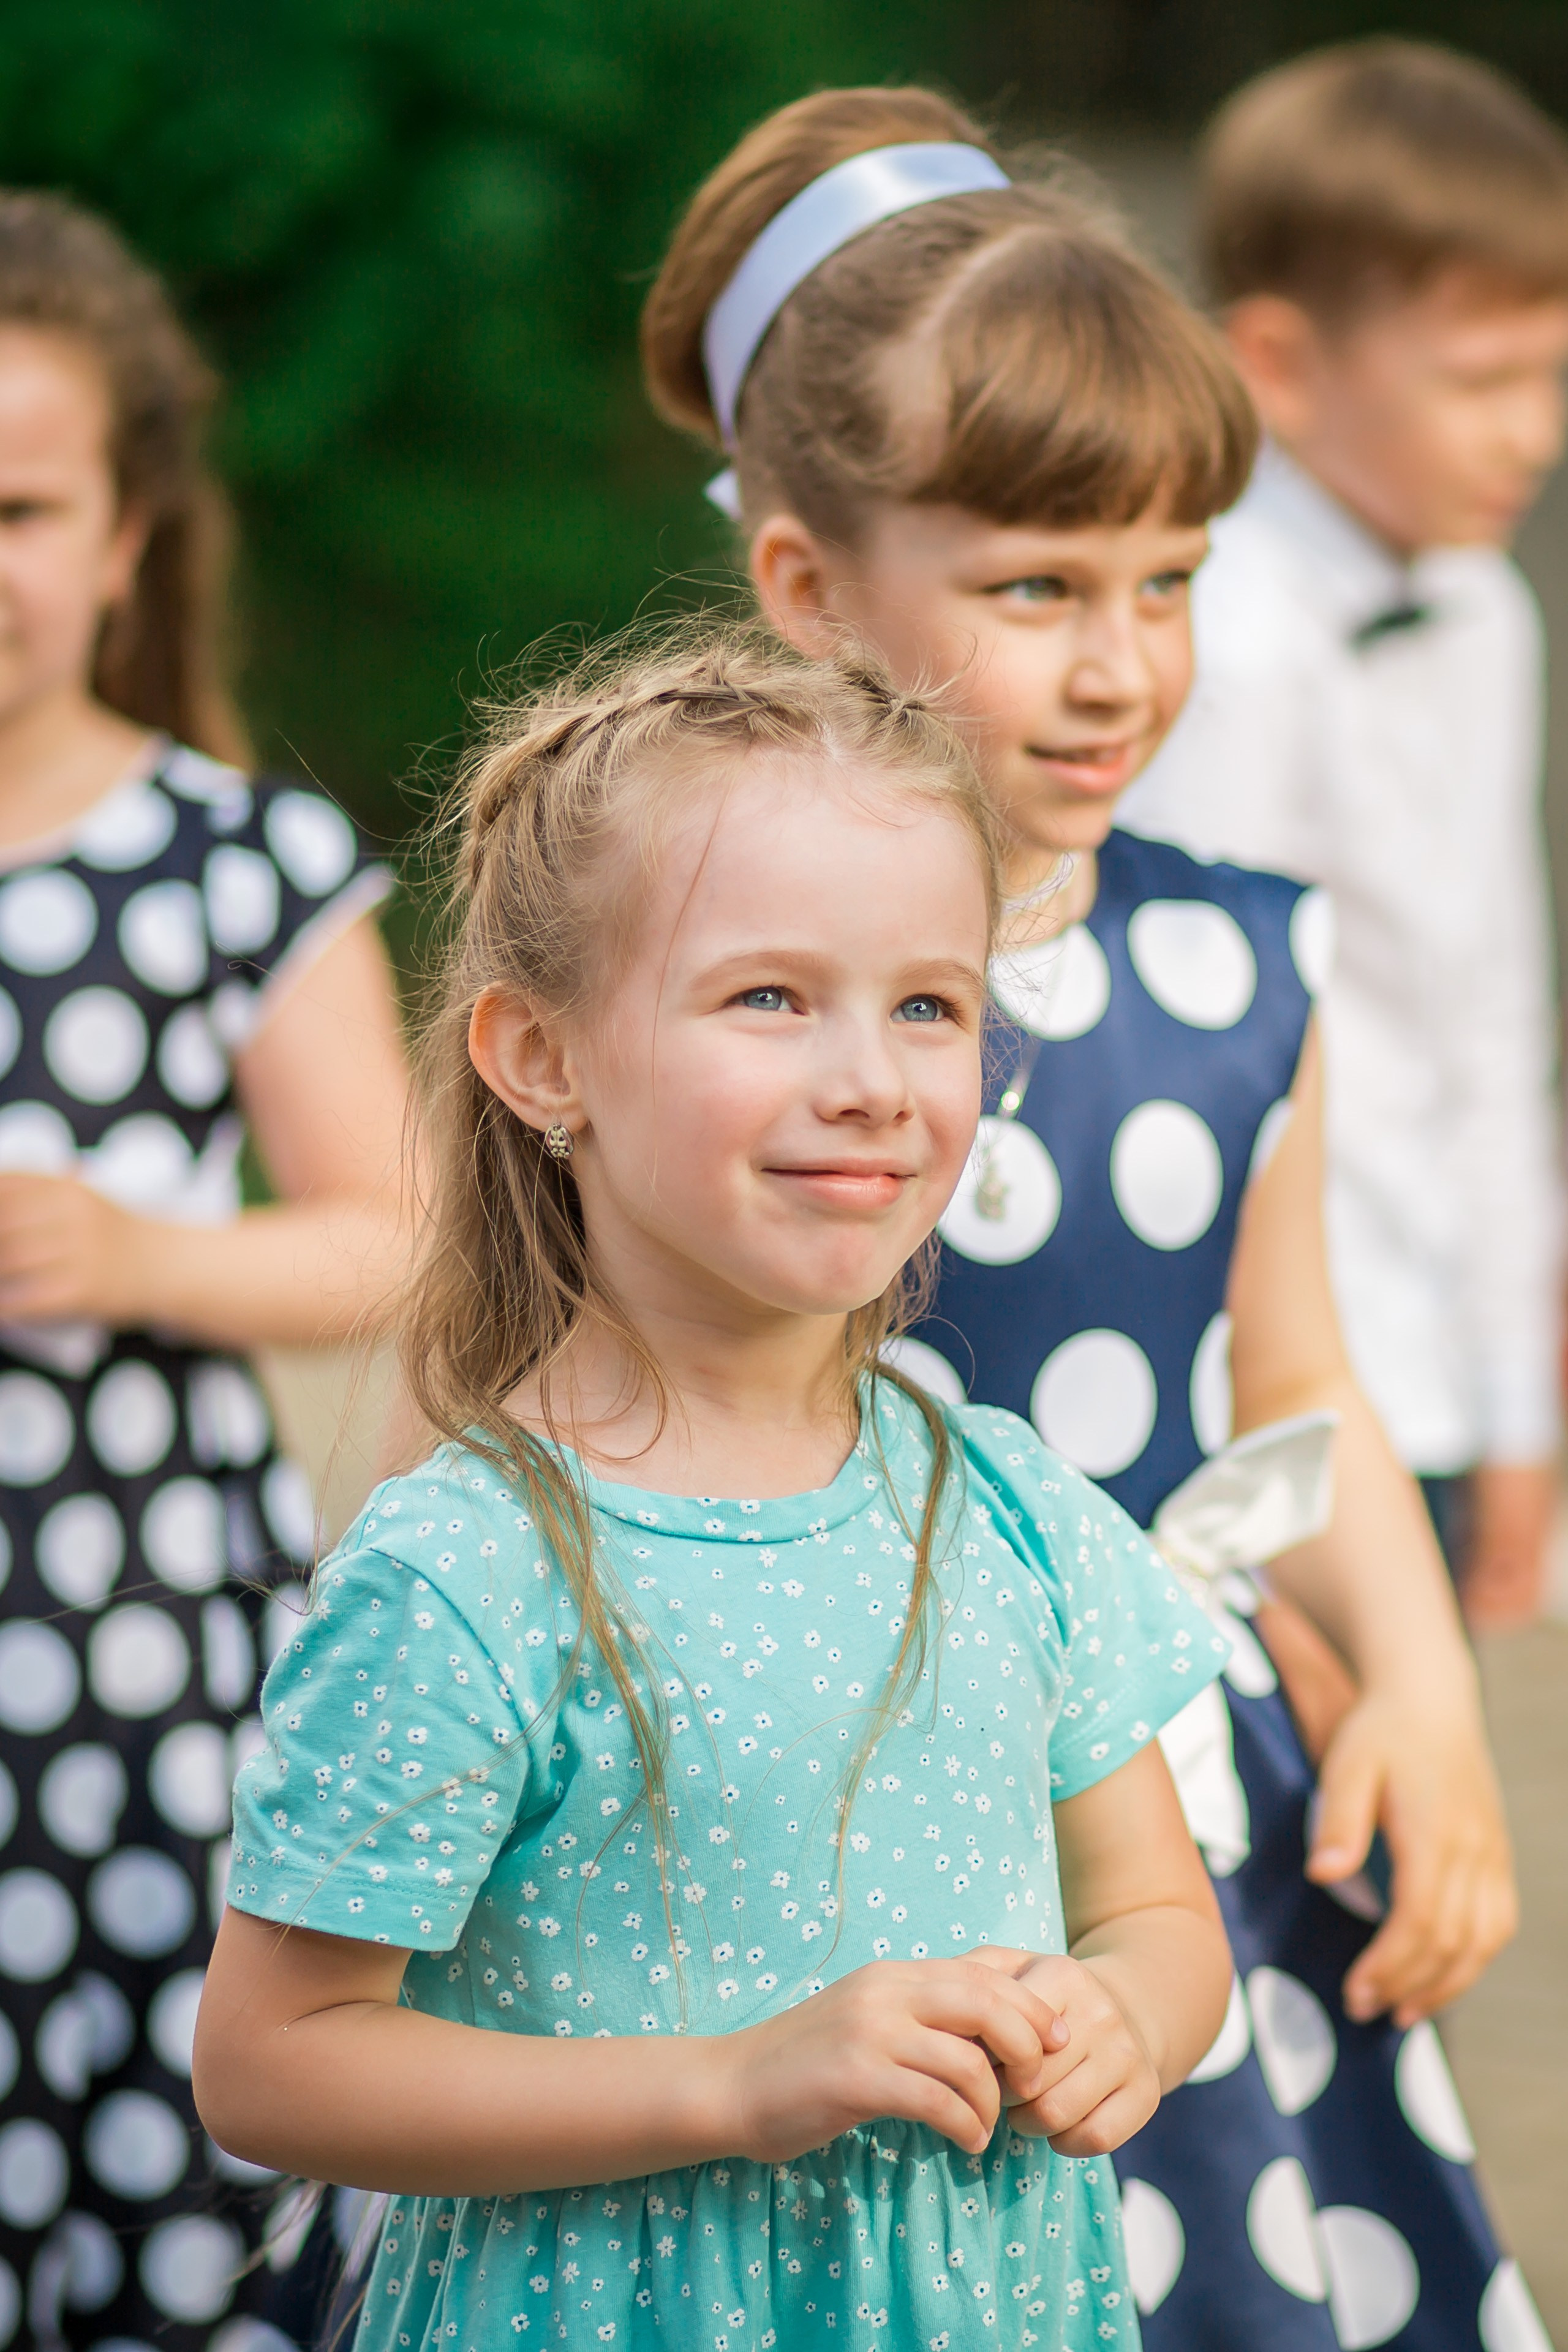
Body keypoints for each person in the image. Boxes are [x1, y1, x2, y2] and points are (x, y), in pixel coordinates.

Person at [640, 88, 1539, 2348]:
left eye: (1171, 583)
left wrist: (1421, 1694)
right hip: (789, 1822)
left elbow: (1297, 1386)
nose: (1122, 664)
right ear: (810, 587)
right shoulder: (691, 972)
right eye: (1036, 588)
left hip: (1167, 1817)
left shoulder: (1242, 960)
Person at [194, 628, 1236, 2352]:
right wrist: (735, 2084)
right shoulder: (475, 1567)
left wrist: (1122, 2016)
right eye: (769, 996)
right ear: (541, 1059)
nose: (872, 1079)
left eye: (929, 1003)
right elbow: (274, 2061)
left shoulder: (1006, 1502)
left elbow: (1152, 1911)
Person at [0, 195, 411, 2351]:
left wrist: (145, 1251)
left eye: (18, 505)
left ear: (131, 535)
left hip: (140, 1659)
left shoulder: (229, 861)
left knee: (170, 2186)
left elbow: (401, 1233)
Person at [1121, 39, 1568, 1630]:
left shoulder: (1484, 605)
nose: (1535, 433)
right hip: (1264, 1389)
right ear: (1282, 365)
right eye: (1481, 382)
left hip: (1436, 1356)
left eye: (1552, 375)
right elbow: (1199, 1057)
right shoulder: (1215, 642)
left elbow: (1496, 1011)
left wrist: (1520, 1399)